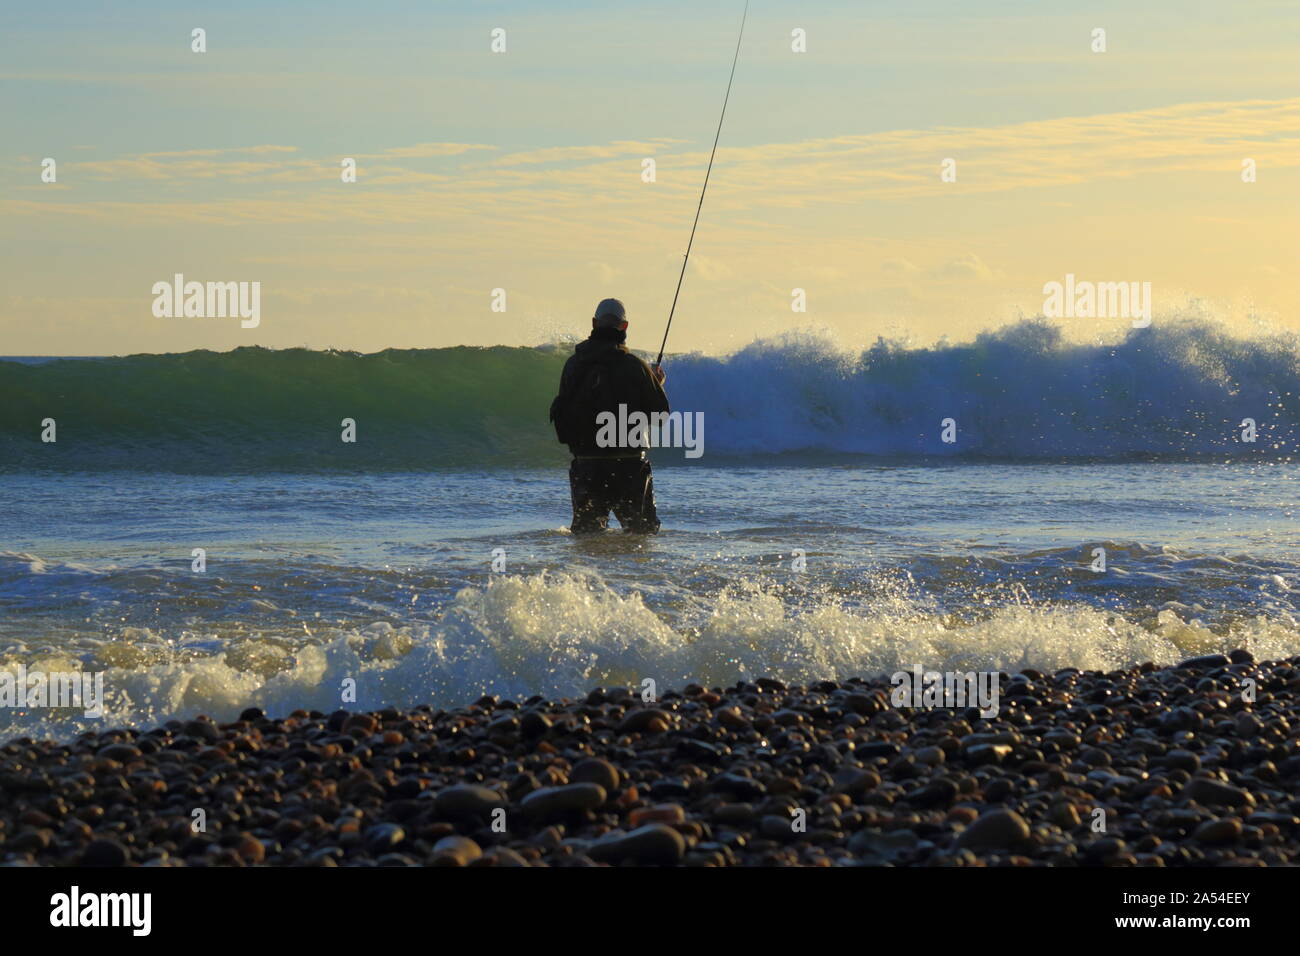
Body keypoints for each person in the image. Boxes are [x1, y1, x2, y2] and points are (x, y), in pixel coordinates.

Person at [549, 298, 669, 533]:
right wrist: (657, 383)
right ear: (624, 327)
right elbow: (660, 416)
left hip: (587, 465)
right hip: (629, 466)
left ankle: (589, 572)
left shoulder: (573, 365)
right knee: (641, 535)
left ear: (594, 323)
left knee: (587, 537)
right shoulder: (636, 366)